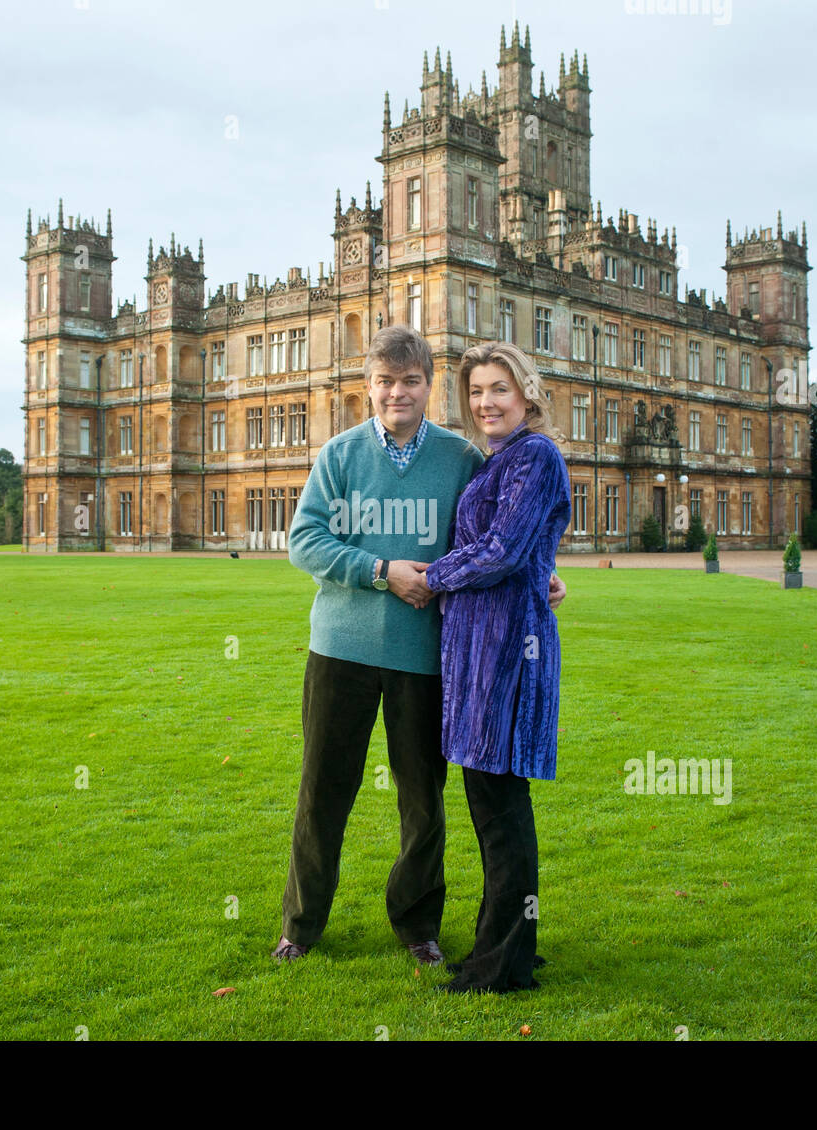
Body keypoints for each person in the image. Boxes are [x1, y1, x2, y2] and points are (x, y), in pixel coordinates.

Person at [274, 325, 566, 966]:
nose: (396, 393)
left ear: (430, 387)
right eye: (384, 381)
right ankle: (302, 923)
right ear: (368, 386)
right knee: (323, 793)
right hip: (341, 649)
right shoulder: (341, 455)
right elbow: (304, 541)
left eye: (410, 381)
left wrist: (536, 569)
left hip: (426, 656)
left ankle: (416, 925)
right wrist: (381, 571)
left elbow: (493, 531)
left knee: (422, 802)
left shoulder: (461, 459)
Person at [414, 341, 571, 993]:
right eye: (476, 391)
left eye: (498, 389)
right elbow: (524, 549)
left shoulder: (534, 455)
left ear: (526, 393)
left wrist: (432, 577)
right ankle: (503, 944)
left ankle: (502, 962)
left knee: (502, 808)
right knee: (493, 806)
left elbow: (504, 549)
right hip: (482, 649)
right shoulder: (499, 459)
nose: (485, 403)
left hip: (510, 651)